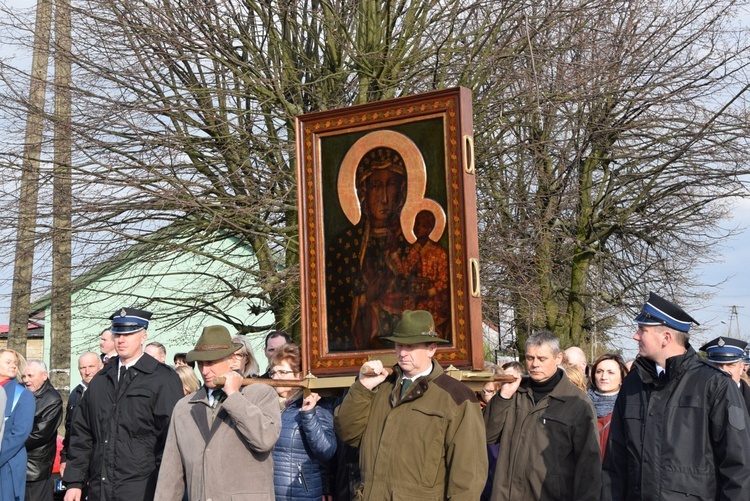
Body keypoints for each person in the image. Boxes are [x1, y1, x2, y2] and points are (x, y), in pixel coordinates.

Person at [602, 292, 750, 500]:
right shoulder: (633, 383)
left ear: (666, 338)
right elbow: (615, 462)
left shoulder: (714, 384)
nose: (636, 336)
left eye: (642, 330)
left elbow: (739, 467)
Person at [335, 310, 487, 499]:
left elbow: (468, 477)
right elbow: (347, 432)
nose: (403, 353)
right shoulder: (379, 387)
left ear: (431, 348)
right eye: (399, 345)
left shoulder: (456, 397)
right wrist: (362, 387)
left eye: (411, 346)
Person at [62, 307, 183, 501]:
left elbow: (171, 439)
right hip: (100, 486)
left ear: (143, 336)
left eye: (129, 333)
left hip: (142, 487)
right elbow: (82, 433)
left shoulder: (162, 378)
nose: (121, 339)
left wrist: (167, 489)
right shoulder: (101, 379)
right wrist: (74, 482)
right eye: (118, 333)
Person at [154, 325, 281, 500]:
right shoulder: (184, 407)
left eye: (211, 362)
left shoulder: (260, 394)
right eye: (200, 363)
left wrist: (234, 397)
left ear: (231, 359)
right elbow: (171, 473)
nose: (205, 371)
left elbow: (265, 440)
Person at [484, 330, 601, 500]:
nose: (534, 364)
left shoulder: (576, 402)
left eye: (542, 358)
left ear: (558, 358)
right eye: (530, 358)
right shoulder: (514, 393)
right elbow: (487, 435)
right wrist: (503, 397)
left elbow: (588, 466)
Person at [327, 147, 411, 351]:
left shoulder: (410, 243)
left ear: (401, 191)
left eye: (391, 185)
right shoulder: (344, 245)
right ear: (363, 191)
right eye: (375, 186)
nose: (384, 198)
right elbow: (336, 309)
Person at [269, 343, 336, 500]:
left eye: (282, 372)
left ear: (299, 375)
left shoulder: (317, 406)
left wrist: (308, 414)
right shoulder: (271, 405)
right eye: (274, 372)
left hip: (300, 492)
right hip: (272, 493)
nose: (276, 377)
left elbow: (326, 450)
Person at [396, 209, 450, 337]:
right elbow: (404, 271)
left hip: (432, 299)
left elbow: (444, 279)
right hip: (414, 296)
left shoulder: (439, 252)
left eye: (421, 225)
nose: (417, 228)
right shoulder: (413, 250)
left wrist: (431, 291)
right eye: (416, 225)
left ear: (429, 228)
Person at [21, 360, 63, 501]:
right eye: (24, 376)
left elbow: (40, 435)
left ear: (44, 376)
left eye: (30, 376)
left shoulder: (52, 400)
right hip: (19, 464)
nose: (26, 380)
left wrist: (10, 442)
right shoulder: (22, 392)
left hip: (35, 469)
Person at [60, 352, 102, 481]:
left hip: (99, 459)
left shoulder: (107, 392)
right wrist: (65, 457)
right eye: (83, 368)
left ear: (100, 367)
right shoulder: (76, 393)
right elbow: (69, 429)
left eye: (91, 366)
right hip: (78, 458)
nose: (87, 371)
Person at [1, 349, 35, 501]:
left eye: (15, 363)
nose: (13, 366)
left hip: (7, 461)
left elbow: (20, 433)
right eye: (8, 362)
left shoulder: (22, 394)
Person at [587, 354, 628, 461]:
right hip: (585, 469)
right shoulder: (581, 403)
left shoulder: (627, 406)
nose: (603, 377)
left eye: (611, 372)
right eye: (599, 371)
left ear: (622, 378)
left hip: (614, 471)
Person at [699, 336, 750, 414]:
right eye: (716, 365)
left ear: (741, 368)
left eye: (730, 365)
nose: (723, 370)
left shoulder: (747, 396)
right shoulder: (697, 394)